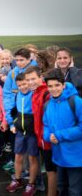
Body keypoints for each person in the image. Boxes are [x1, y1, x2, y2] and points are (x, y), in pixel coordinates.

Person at [43, 68, 82, 196]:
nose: (53, 89)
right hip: (59, 156)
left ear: (63, 84)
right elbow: (46, 125)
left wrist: (59, 135)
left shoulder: (75, 101)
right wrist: (48, 136)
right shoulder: (48, 104)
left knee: (75, 190)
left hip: (76, 157)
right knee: (61, 187)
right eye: (50, 86)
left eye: (57, 85)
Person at [25, 66, 57, 196]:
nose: (30, 82)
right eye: (28, 80)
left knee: (51, 170)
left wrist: (47, 136)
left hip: (48, 138)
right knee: (49, 168)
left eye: (33, 79)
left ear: (40, 77)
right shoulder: (35, 92)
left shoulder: (46, 94)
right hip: (40, 136)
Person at [5, 73, 39, 196]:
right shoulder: (17, 95)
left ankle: (31, 184)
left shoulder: (34, 94)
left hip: (32, 133)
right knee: (18, 156)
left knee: (32, 158)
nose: (22, 87)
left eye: (24, 84)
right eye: (19, 85)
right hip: (20, 132)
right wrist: (12, 124)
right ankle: (18, 180)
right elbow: (12, 112)